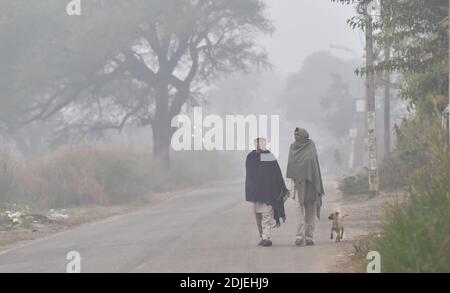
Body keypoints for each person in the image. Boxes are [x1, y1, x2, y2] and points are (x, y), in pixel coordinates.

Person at [245, 138, 288, 247]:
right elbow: (249, 174)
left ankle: (266, 237)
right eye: (257, 144)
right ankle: (263, 236)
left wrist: (276, 187)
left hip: (268, 192)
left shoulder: (269, 156)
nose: (259, 146)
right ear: (255, 145)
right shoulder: (251, 157)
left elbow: (276, 174)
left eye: (261, 143)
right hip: (256, 193)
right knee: (258, 215)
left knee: (267, 215)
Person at [287, 128, 324, 246]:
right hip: (298, 185)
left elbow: (313, 163)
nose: (296, 136)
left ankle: (309, 236)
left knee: (310, 212)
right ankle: (299, 236)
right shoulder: (292, 147)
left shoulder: (311, 146)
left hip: (311, 184)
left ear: (303, 135)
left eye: (298, 134)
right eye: (294, 134)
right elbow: (291, 165)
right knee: (299, 212)